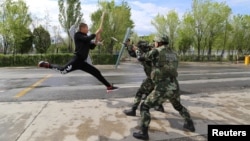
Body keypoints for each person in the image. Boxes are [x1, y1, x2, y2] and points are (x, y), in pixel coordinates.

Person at [133, 35, 195, 140]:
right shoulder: (174, 53)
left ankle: (143, 133)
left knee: (145, 107)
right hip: (174, 85)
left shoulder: (157, 51)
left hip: (162, 87)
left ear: (159, 42)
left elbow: (141, 58)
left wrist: (137, 50)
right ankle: (190, 124)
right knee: (178, 106)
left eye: (155, 42)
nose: (154, 43)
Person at [38, 23, 118, 93]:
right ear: (82, 28)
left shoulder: (86, 36)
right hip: (77, 60)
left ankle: (109, 86)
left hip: (83, 62)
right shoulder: (78, 35)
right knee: (63, 71)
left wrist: (96, 40)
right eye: (86, 27)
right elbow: (87, 39)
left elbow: (92, 46)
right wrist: (96, 33)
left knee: (96, 72)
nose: (88, 29)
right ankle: (48, 65)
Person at [123, 39, 165, 116]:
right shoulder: (152, 51)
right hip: (158, 77)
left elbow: (139, 57)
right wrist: (128, 47)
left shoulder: (147, 54)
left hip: (152, 77)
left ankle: (133, 110)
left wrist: (137, 49)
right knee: (152, 92)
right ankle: (159, 106)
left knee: (140, 92)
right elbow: (133, 54)